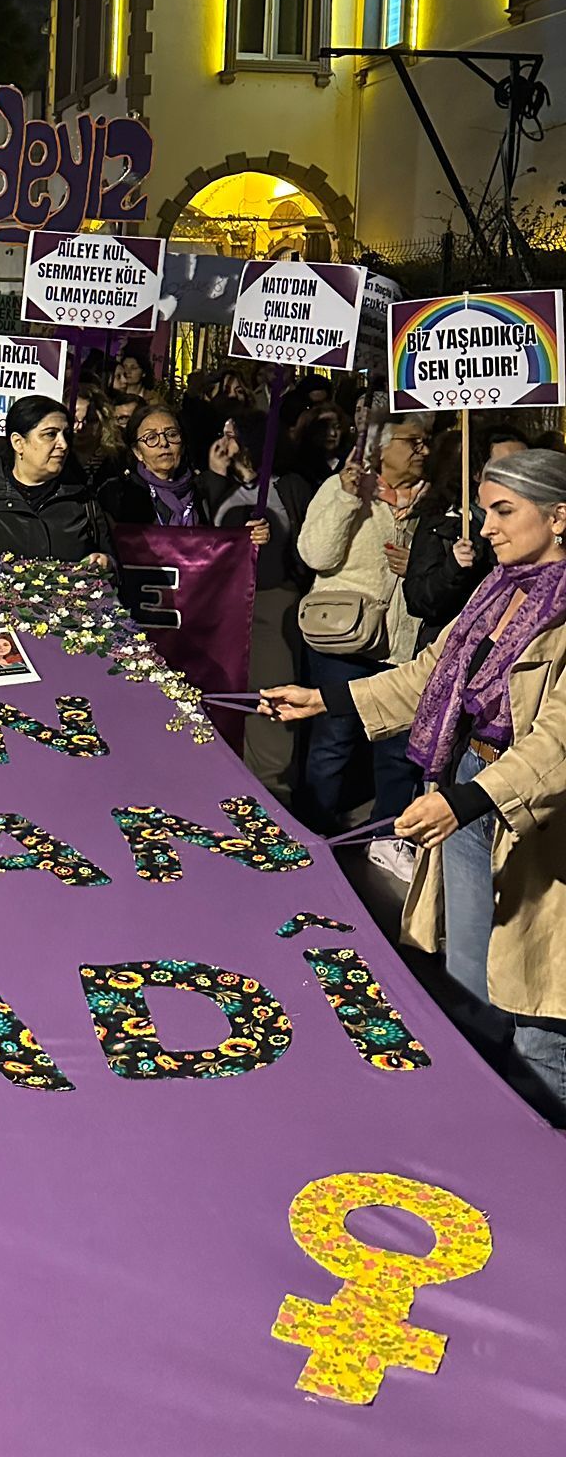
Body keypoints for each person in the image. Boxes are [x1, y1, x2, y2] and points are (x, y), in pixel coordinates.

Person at [264, 449, 566, 1125]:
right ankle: (480, 1126)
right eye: (486, 510)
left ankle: (545, 1159)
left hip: (531, 823)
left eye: (503, 511)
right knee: (468, 982)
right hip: (463, 793)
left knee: (536, 1006)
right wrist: (325, 700)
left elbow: (558, 743)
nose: (485, 527)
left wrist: (466, 801)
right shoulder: (497, 586)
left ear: (561, 516)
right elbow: (430, 674)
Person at [292, 416, 432, 857]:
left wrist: (419, 563)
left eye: (426, 442)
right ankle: (313, 833)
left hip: (403, 639)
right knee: (334, 739)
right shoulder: (343, 487)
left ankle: (385, 838)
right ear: (382, 448)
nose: (423, 450)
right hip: (344, 637)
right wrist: (349, 500)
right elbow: (316, 554)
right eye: (413, 442)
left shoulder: (438, 497)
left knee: (398, 745)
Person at [212, 409, 309, 791]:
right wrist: (214, 476)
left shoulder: (289, 487)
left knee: (270, 704)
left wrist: (268, 547)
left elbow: (302, 553)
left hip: (271, 605)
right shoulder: (214, 485)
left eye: (230, 433)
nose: (223, 440)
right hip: (224, 610)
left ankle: (272, 796)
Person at [0, 396, 113, 565]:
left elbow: (112, 566)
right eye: (50, 434)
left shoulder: (83, 500)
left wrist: (105, 562)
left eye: (66, 435)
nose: (63, 444)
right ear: (18, 442)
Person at [405, 425, 529, 648]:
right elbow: (418, 600)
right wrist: (452, 569)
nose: (517, 475)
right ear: (477, 474)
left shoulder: (542, 524)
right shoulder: (446, 522)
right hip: (452, 648)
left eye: (524, 466)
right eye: (504, 467)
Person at [99, 404, 230, 528]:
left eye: (172, 434)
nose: (163, 443)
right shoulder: (118, 493)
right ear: (138, 452)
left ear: (183, 445)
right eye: (151, 437)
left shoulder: (207, 489)